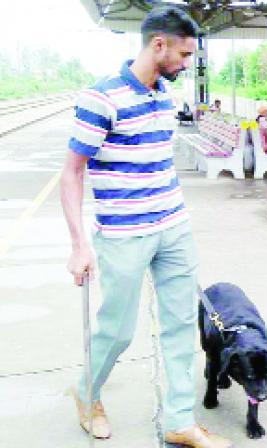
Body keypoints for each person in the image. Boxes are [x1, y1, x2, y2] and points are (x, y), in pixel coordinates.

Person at [60, 6, 231, 448]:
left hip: (173, 227)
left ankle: (178, 419)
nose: (187, 63)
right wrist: (80, 244)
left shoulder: (164, 95)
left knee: (178, 325)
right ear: (159, 45)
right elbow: (72, 173)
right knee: (117, 329)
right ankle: (87, 394)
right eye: (185, 54)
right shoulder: (102, 98)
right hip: (123, 235)